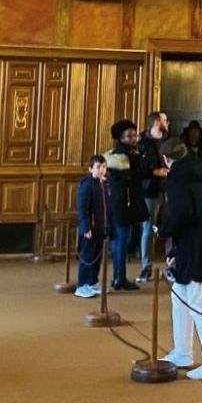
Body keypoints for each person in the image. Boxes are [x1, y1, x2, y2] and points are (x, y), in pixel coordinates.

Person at [157, 138, 202, 380]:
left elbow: (182, 213)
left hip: (196, 246)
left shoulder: (177, 178)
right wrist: (175, 252)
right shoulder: (195, 170)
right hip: (196, 243)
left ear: (166, 160)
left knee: (200, 302)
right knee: (180, 296)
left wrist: (164, 230)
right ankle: (183, 352)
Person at [103, 121, 146, 291]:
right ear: (121, 138)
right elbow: (136, 175)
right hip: (122, 203)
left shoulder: (126, 154)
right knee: (121, 240)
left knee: (119, 240)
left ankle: (118, 277)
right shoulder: (122, 157)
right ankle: (119, 278)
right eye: (129, 136)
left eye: (135, 135)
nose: (134, 138)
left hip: (120, 202)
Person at [132, 111, 170, 283]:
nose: (167, 122)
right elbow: (137, 170)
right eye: (164, 120)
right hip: (150, 191)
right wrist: (154, 172)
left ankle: (172, 264)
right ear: (156, 123)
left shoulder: (169, 141)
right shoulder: (143, 144)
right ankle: (146, 267)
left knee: (172, 227)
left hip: (168, 189)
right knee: (148, 229)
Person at [74, 156, 108, 299]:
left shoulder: (103, 184)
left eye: (104, 167)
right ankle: (82, 285)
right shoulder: (87, 185)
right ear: (91, 169)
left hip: (101, 227)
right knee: (87, 257)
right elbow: (82, 209)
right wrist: (86, 227)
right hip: (90, 228)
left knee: (96, 257)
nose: (101, 170)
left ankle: (92, 281)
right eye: (98, 167)